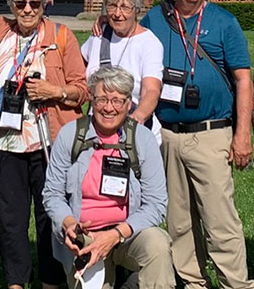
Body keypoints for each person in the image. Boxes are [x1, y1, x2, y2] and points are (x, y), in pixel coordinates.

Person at [139, 0, 254, 289]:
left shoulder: (223, 21)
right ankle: (193, 283)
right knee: (179, 222)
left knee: (221, 221)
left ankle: (235, 284)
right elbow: (129, 36)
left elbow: (243, 80)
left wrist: (243, 134)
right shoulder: (156, 20)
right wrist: (105, 19)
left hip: (211, 133)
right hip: (169, 135)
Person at [0, 0, 89, 289]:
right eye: (21, 3)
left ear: (45, 3)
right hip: (5, 143)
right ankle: (16, 283)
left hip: (49, 143)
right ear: (11, 4)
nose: (28, 9)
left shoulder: (61, 36)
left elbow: (81, 90)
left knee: (50, 218)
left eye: (35, 3)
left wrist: (53, 92)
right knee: (10, 220)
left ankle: (51, 282)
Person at [44, 66, 175, 289]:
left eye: (117, 101)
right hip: (83, 238)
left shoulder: (143, 139)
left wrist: (115, 234)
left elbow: (156, 204)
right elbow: (52, 194)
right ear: (92, 101)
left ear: (128, 104)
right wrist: (68, 224)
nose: (108, 108)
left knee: (158, 245)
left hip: (127, 233)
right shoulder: (70, 135)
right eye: (102, 99)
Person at [80, 0, 164, 135]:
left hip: (132, 128)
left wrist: (135, 120)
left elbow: (151, 90)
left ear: (137, 9)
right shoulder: (99, 34)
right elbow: (77, 71)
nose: (118, 14)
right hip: (96, 130)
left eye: (125, 7)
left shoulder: (149, 43)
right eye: (112, 6)